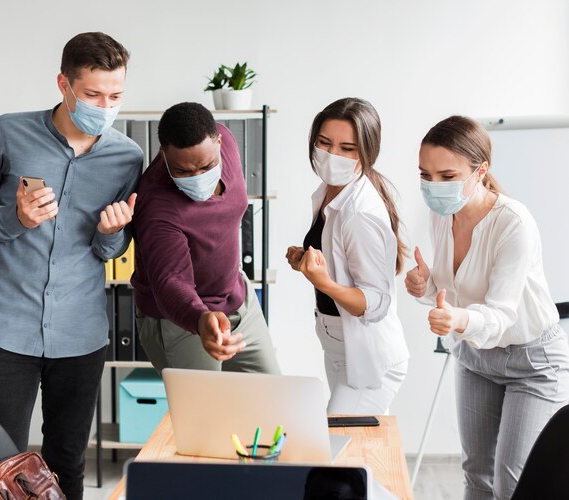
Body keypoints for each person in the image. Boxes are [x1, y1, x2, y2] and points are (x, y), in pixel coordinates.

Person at [0, 32, 143, 499]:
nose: (105, 104)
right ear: (64, 84)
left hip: (81, 335)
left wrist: (111, 234)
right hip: (7, 330)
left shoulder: (127, 157)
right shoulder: (7, 131)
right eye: (94, 94)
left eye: (115, 95)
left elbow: (110, 252)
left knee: (66, 465)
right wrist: (14, 218)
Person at [405, 115, 569, 500]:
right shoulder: (440, 214)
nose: (433, 186)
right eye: (425, 175)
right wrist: (424, 284)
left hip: (532, 362)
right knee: (475, 475)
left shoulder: (514, 223)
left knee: (512, 485)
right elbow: (452, 290)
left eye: (446, 175)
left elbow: (500, 315)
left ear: (481, 171)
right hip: (476, 356)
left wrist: (456, 319)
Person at [132, 102, 280, 374]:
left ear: (220, 141)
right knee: (206, 414)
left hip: (238, 300)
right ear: (164, 154)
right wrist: (201, 320)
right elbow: (171, 280)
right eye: (184, 171)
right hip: (183, 320)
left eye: (207, 166)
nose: (198, 177)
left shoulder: (228, 144)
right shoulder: (155, 204)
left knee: (271, 402)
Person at [286, 98, 408, 415]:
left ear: (367, 154)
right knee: (347, 451)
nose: (332, 156)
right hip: (340, 347)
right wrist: (306, 261)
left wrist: (323, 281)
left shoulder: (360, 213)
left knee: (338, 451)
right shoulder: (331, 190)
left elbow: (375, 303)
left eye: (347, 149)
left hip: (368, 358)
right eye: (324, 143)